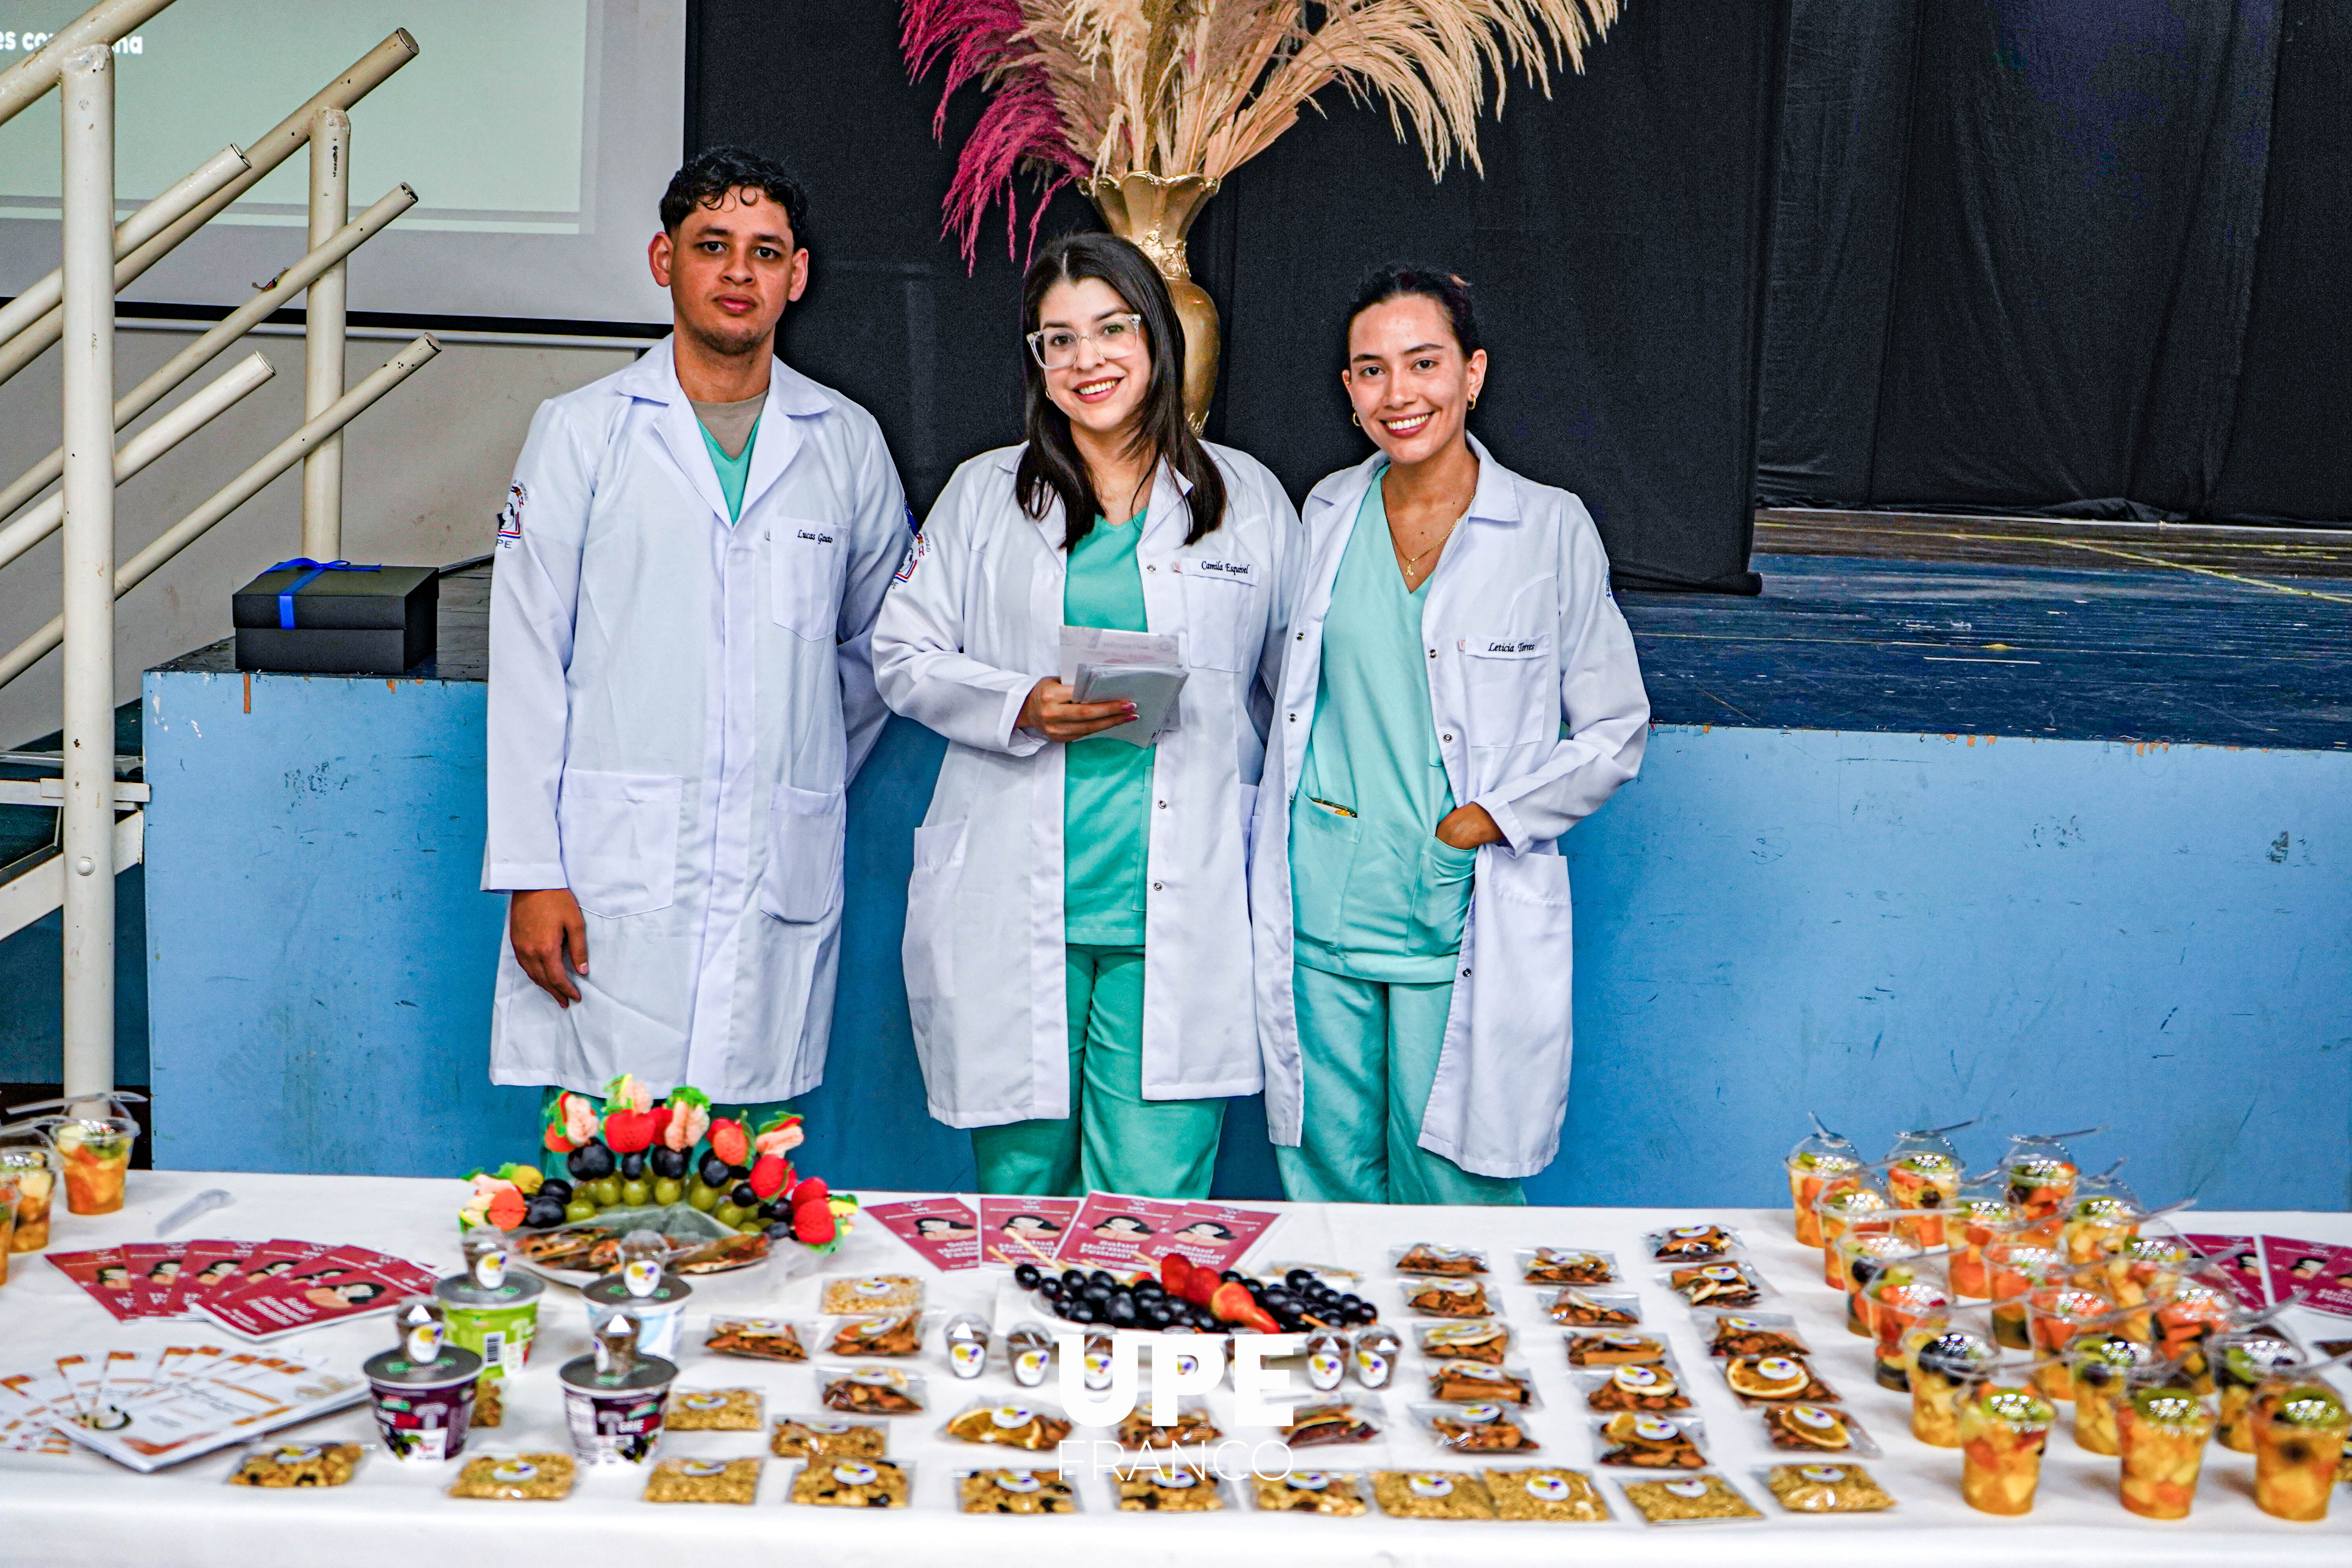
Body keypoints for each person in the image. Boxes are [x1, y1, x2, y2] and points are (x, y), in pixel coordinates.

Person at [874, 232, 1302, 1199]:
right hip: (1017, 898)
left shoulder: (1248, 501)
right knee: (1018, 1200)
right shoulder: (986, 494)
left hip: (1179, 911)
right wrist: (1018, 702)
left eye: (1111, 330)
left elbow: (1294, 695)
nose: (1087, 360)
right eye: (1057, 340)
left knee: (1147, 1211)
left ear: (1155, 339)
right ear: (1037, 361)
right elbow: (899, 654)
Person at [483, 147, 908, 1114]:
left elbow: (881, 643)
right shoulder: (583, 431)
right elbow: (527, 657)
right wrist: (531, 873)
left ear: (797, 276)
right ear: (662, 260)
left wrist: (786, 758)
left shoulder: (844, 441)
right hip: (605, 879)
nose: (738, 272)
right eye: (712, 245)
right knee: (607, 1178)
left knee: (751, 1178)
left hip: (774, 867)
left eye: (765, 252)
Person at [1250, 265, 1649, 1204]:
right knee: (1326, 1189)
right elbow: (1285, 693)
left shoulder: (1547, 527)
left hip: (1455, 910)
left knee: (1453, 1198)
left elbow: (1616, 727)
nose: (1401, 393)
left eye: (1423, 363)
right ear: (1350, 393)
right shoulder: (1325, 514)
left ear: (1472, 372)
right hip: (1321, 910)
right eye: (1372, 370)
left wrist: (1490, 818)